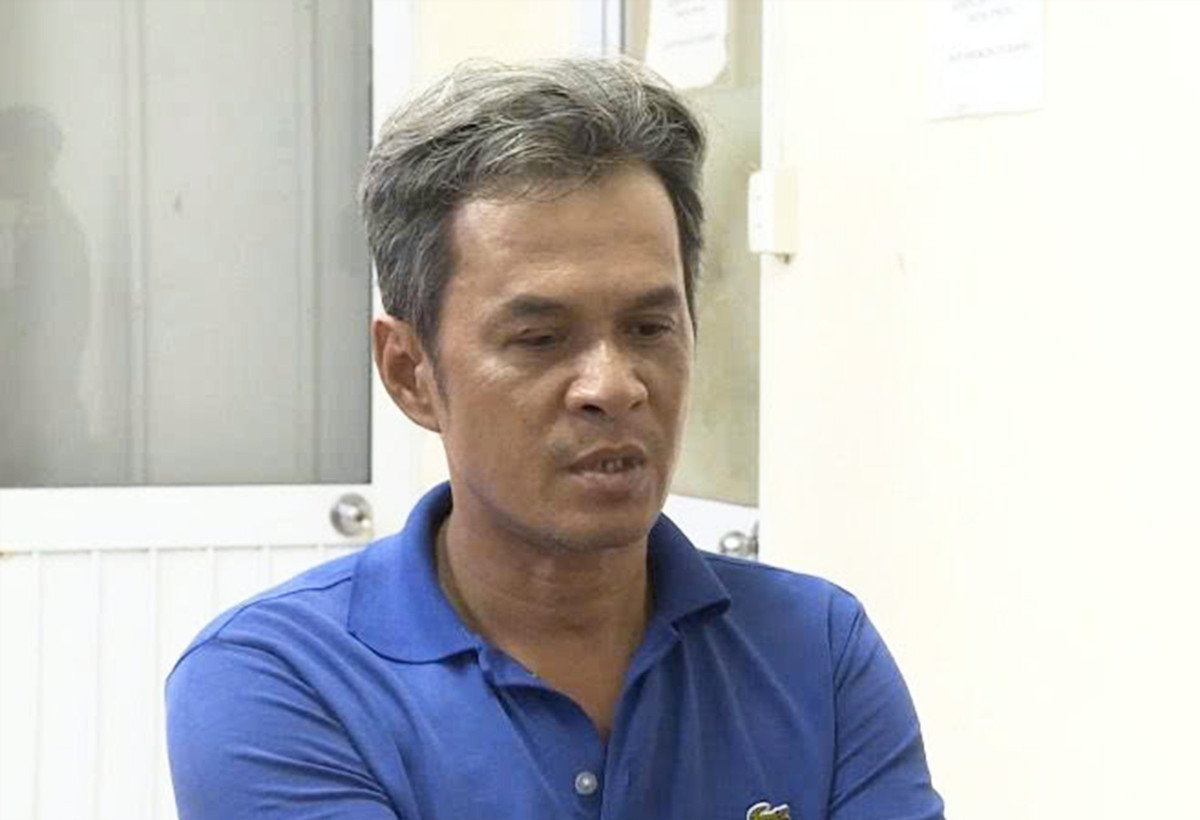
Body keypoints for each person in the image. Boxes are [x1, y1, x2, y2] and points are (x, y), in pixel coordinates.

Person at [166, 58, 945, 820]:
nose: (613, 386)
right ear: (410, 372)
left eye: (649, 328)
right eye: (540, 339)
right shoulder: (282, 682)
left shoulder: (815, 651)